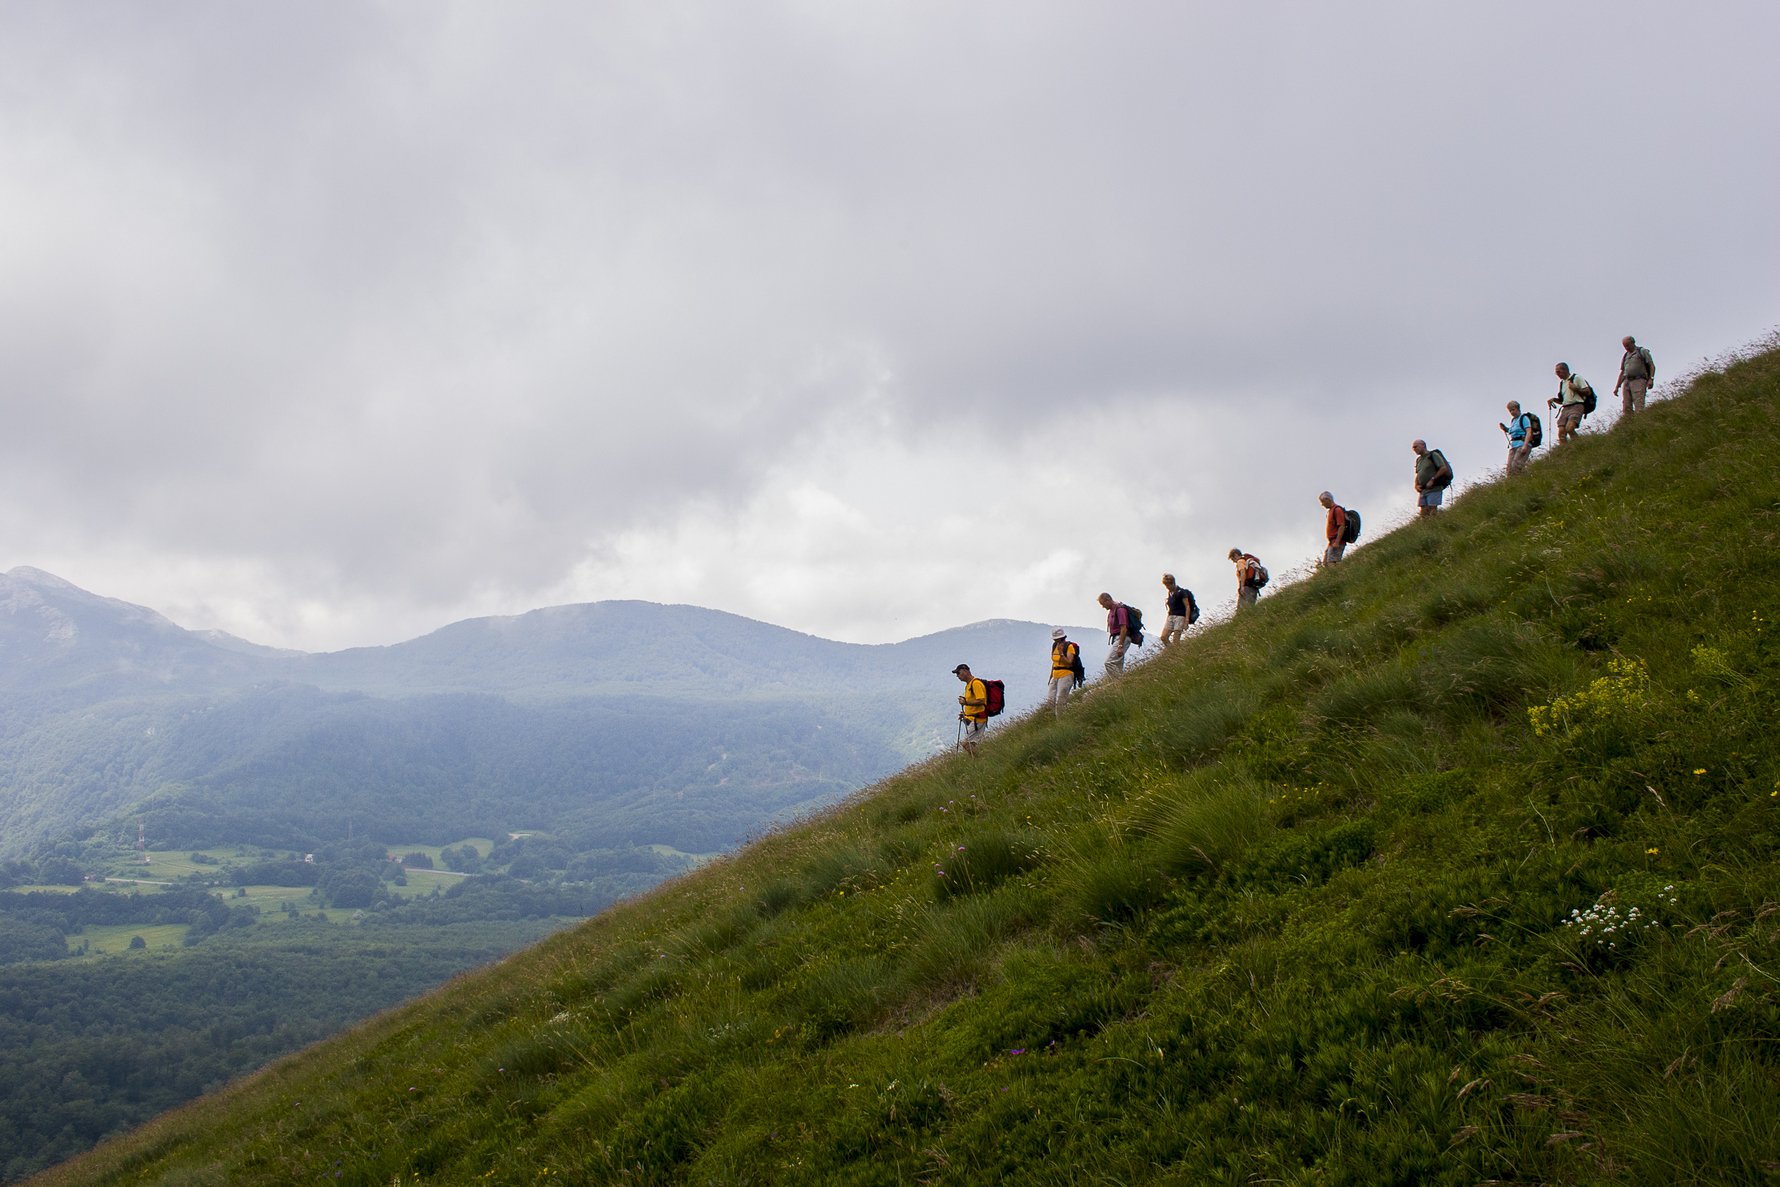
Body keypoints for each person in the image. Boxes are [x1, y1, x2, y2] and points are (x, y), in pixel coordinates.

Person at [1547, 362, 1592, 445]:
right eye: (1556, 372)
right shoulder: (1562, 383)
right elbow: (1563, 400)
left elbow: (1588, 391)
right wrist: (1553, 400)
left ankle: (1579, 445)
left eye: (1558, 372)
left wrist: (1576, 389)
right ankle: (1565, 451)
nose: (1557, 374)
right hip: (1565, 408)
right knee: (1561, 432)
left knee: (1570, 428)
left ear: (1565, 370)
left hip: (1577, 405)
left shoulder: (1577, 378)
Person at [952, 663, 988, 755]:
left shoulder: (976, 683)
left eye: (958, 673)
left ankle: (981, 758)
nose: (957, 676)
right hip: (972, 719)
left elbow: (982, 700)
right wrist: (965, 715)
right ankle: (977, 761)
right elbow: (972, 702)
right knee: (971, 744)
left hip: (977, 719)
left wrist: (965, 702)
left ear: (965, 671)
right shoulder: (969, 685)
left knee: (966, 744)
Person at [1411, 439, 1452, 518]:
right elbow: (1418, 474)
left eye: (1416, 447)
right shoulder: (1418, 460)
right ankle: (1426, 529)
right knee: (1423, 513)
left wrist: (1432, 479)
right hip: (1423, 490)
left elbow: (1443, 468)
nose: (1414, 449)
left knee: (1432, 510)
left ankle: (1434, 525)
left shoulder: (1433, 455)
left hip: (1434, 488)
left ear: (1423, 445)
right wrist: (1416, 485)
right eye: (1413, 448)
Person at [1096, 592, 1134, 675]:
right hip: (1117, 638)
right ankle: (1121, 685)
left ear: (1108, 600)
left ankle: (1120, 683)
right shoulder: (1112, 610)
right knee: (1117, 665)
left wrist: (1120, 646)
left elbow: (1124, 628)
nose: (1103, 606)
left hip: (1122, 638)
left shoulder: (1120, 609)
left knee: (1109, 662)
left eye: (1103, 604)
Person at [1616, 335, 1655, 415]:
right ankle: (1628, 424)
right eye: (1624, 346)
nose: (1626, 348)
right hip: (1627, 382)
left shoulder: (1642, 351)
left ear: (1633, 343)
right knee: (1626, 406)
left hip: (1639, 380)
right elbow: (1623, 372)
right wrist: (1617, 386)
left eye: (1627, 345)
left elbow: (1652, 366)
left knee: (1639, 404)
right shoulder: (1625, 356)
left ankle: (1640, 422)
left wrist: (1651, 379)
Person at [1046, 628, 1080, 713]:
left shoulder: (1069, 647)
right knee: (1050, 700)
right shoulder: (1054, 646)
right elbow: (1054, 663)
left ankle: (1060, 721)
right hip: (1055, 675)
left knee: (1061, 701)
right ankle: (1051, 719)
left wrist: (1061, 654)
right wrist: (1051, 677)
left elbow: (1069, 662)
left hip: (1066, 675)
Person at [1499, 400, 1535, 475]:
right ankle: (1511, 484)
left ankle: (1524, 480)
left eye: (1513, 409)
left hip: (1522, 444)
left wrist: (1525, 445)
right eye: (1510, 410)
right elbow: (1512, 431)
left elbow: (1529, 431)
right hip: (1514, 446)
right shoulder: (1513, 420)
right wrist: (1505, 429)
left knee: (1516, 466)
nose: (1512, 412)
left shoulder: (1524, 418)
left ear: (1518, 409)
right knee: (1509, 468)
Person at [1160, 574, 1196, 645]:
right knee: (1163, 637)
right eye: (1166, 586)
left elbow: (1187, 606)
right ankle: (1173, 652)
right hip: (1170, 617)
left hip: (1180, 617)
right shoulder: (1170, 593)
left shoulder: (1181, 592)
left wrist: (1186, 621)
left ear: (1172, 583)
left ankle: (1177, 654)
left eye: (1167, 585)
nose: (1167, 587)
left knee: (1176, 640)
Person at [1317, 492, 1348, 566]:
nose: (1322, 504)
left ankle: (1340, 577)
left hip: (1336, 541)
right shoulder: (1331, 511)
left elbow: (1341, 526)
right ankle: (1333, 576)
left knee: (1332, 563)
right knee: (1325, 563)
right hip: (1331, 542)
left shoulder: (1337, 510)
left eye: (1323, 502)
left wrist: (1337, 542)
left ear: (1327, 499)